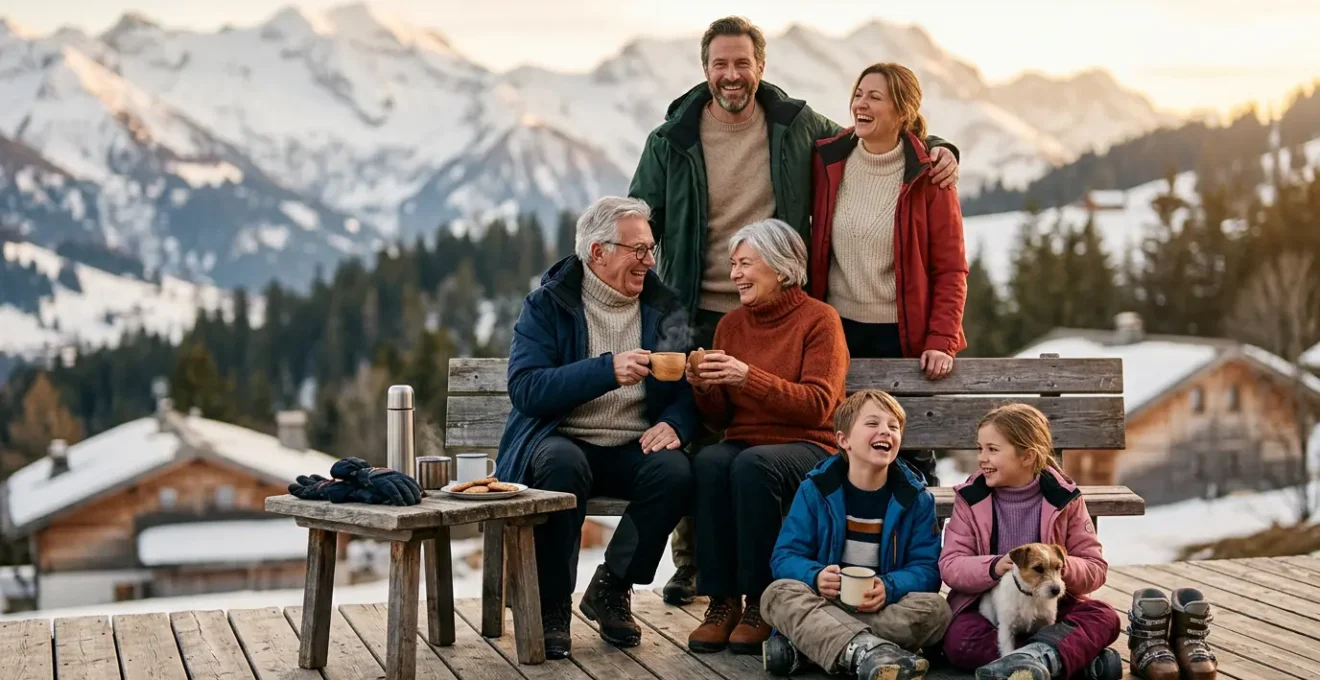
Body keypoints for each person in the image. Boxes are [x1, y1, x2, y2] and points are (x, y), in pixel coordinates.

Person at [628, 13, 962, 607]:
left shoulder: (796, 125)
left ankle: (780, 572)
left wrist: (937, 149)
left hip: (780, 303)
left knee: (769, 437)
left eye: (742, 63)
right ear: (705, 70)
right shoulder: (669, 140)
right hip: (695, 306)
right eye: (720, 64)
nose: (731, 75)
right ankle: (696, 564)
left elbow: (877, 135)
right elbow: (640, 215)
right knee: (701, 434)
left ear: (760, 66)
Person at [494, 196, 701, 659]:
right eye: (638, 250)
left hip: (632, 445)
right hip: (560, 441)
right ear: (598, 252)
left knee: (676, 473)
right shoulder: (548, 305)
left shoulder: (665, 307)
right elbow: (526, 389)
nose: (649, 260)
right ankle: (550, 606)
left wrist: (675, 424)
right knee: (561, 468)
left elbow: (687, 392)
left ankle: (612, 586)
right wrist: (605, 371)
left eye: (651, 249)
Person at [682, 218, 850, 654]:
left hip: (811, 444)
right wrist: (704, 386)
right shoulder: (731, 326)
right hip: (746, 443)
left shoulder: (820, 320)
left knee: (753, 466)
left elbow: (819, 404)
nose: (735, 273)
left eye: (745, 264)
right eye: (732, 264)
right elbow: (719, 420)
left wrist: (747, 376)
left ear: (780, 267)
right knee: (710, 461)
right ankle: (721, 601)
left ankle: (762, 599)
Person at [808, 62, 969, 488]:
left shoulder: (930, 175)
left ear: (902, 111)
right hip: (837, 331)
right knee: (842, 453)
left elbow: (951, 268)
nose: (860, 103)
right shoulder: (828, 158)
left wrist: (941, 339)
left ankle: (922, 554)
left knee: (909, 458)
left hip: (903, 336)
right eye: (858, 93)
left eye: (874, 97)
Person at [760, 389, 952, 680]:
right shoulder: (815, 491)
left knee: (937, 609)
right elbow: (785, 557)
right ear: (843, 440)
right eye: (873, 424)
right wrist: (815, 576)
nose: (885, 432)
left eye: (893, 426)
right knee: (776, 595)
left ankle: (818, 647)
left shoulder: (916, 499)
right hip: (825, 601)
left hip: (882, 605)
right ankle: (868, 651)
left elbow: (927, 569)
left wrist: (889, 586)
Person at [939, 404, 1123, 680]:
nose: (982, 458)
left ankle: (1029, 661)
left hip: (1050, 604)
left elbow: (1095, 567)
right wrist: (993, 566)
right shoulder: (971, 497)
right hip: (987, 607)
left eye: (992, 449)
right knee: (958, 642)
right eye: (980, 449)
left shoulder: (1066, 498)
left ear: (1027, 456)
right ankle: (1061, 656)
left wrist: (1056, 568)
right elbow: (951, 565)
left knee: (1105, 617)